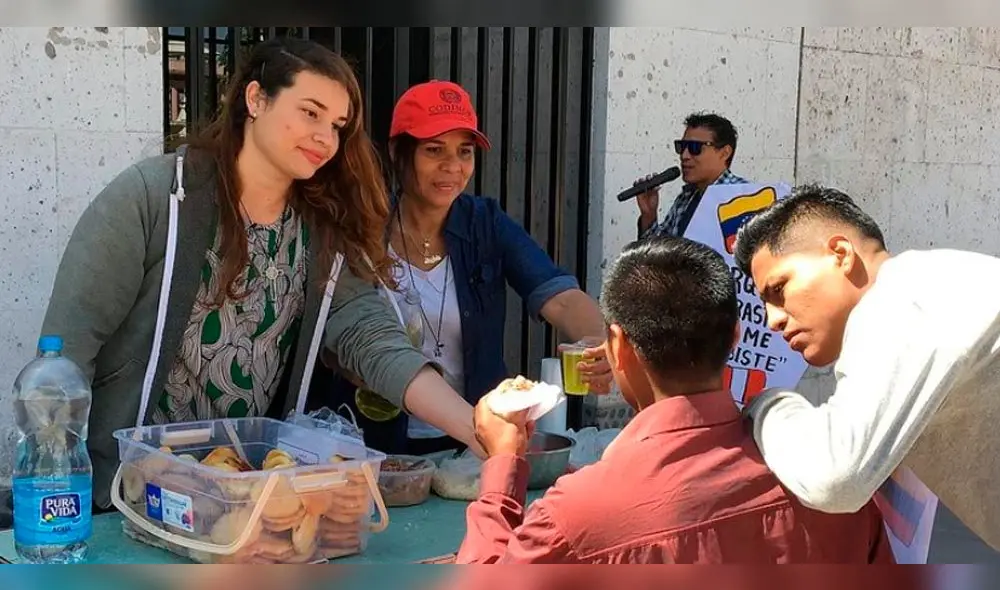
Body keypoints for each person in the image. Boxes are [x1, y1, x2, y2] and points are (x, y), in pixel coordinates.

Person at [39, 37, 481, 511]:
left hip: (246, 498)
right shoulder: (155, 198)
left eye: (337, 126)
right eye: (310, 113)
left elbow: (373, 339)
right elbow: (64, 356)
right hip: (129, 496)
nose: (325, 138)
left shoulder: (321, 229)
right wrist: (57, 491)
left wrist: (478, 428)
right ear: (256, 99)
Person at [454, 235, 893, 563]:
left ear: (617, 346)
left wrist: (503, 468)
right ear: (735, 338)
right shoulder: (835, 483)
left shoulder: (574, 517)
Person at [313, 80, 611, 456]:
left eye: (464, 152)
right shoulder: (363, 229)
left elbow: (559, 295)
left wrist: (599, 343)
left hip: (471, 443)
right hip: (371, 445)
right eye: (433, 149)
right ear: (397, 152)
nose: (452, 167)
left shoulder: (486, 224)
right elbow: (335, 334)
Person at [733, 184, 1000, 552]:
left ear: (841, 254)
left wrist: (766, 406)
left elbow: (835, 477)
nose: (772, 320)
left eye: (779, 289)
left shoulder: (904, 300)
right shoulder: (928, 286)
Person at [634, 112, 749, 240]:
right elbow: (661, 249)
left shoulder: (744, 198)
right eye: (682, 147)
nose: (684, 156)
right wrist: (649, 214)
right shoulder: (686, 197)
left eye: (695, 148)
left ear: (724, 153)